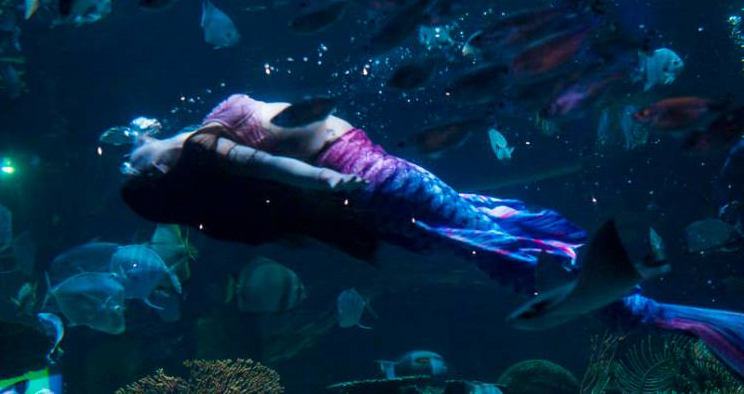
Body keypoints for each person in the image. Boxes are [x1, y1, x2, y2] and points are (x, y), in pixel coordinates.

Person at [121, 94, 744, 378]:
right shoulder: (202, 145)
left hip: (385, 191)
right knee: (497, 244)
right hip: (376, 187)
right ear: (157, 173)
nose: (127, 152)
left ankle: (637, 306)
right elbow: (268, 166)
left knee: (497, 235)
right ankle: (645, 309)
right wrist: (326, 184)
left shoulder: (201, 137)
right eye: (129, 162)